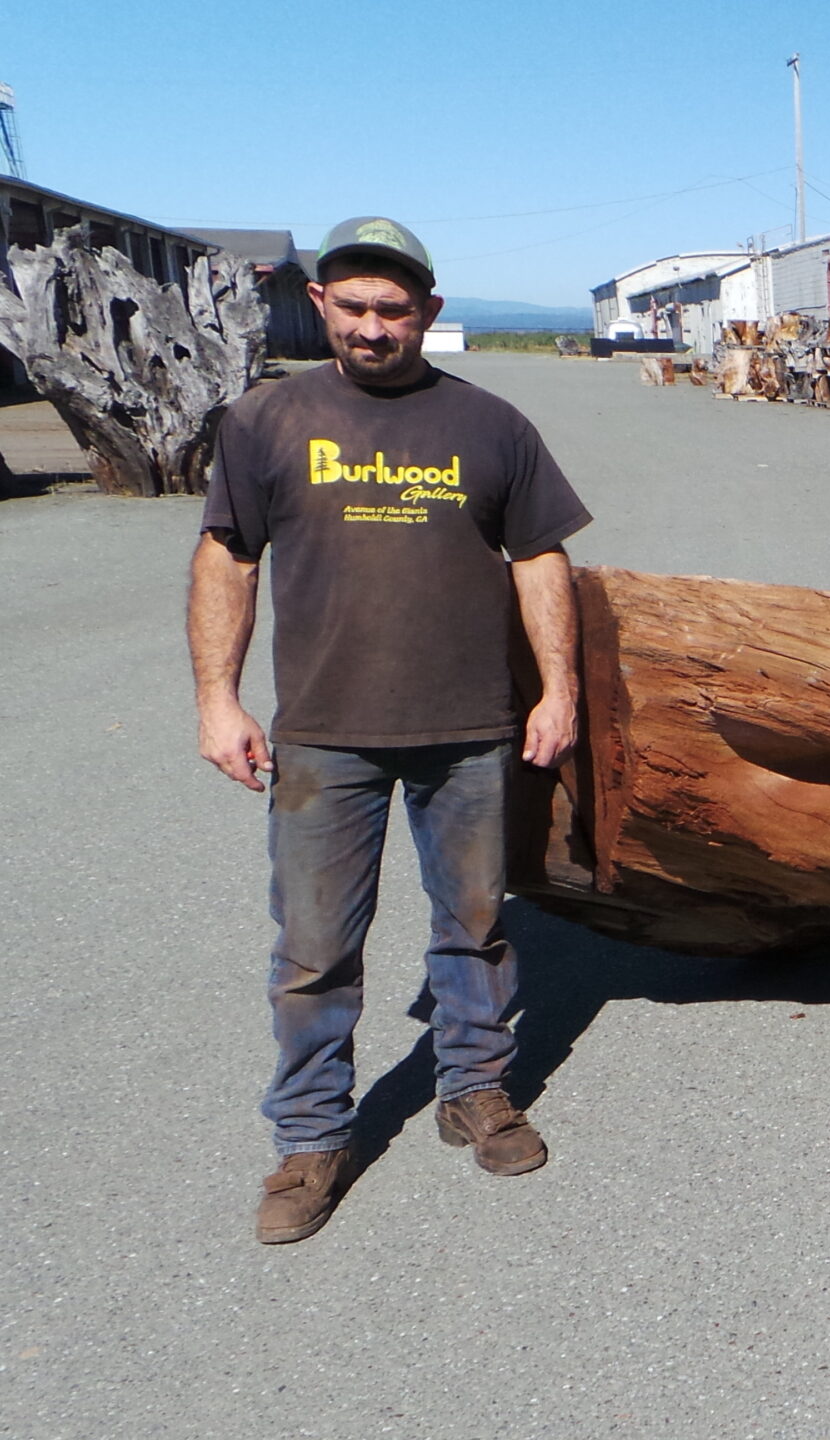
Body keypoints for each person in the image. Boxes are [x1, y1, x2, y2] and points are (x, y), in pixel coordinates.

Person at [188, 216, 592, 1244]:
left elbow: (540, 559)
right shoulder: (268, 421)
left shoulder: (491, 425)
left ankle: (475, 1088)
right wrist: (217, 700)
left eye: (394, 310)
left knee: (474, 926)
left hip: (469, 727)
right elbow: (229, 557)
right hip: (326, 734)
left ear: (429, 311)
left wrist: (559, 691)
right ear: (320, 302)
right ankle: (312, 1137)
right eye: (355, 307)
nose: (373, 328)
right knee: (315, 948)